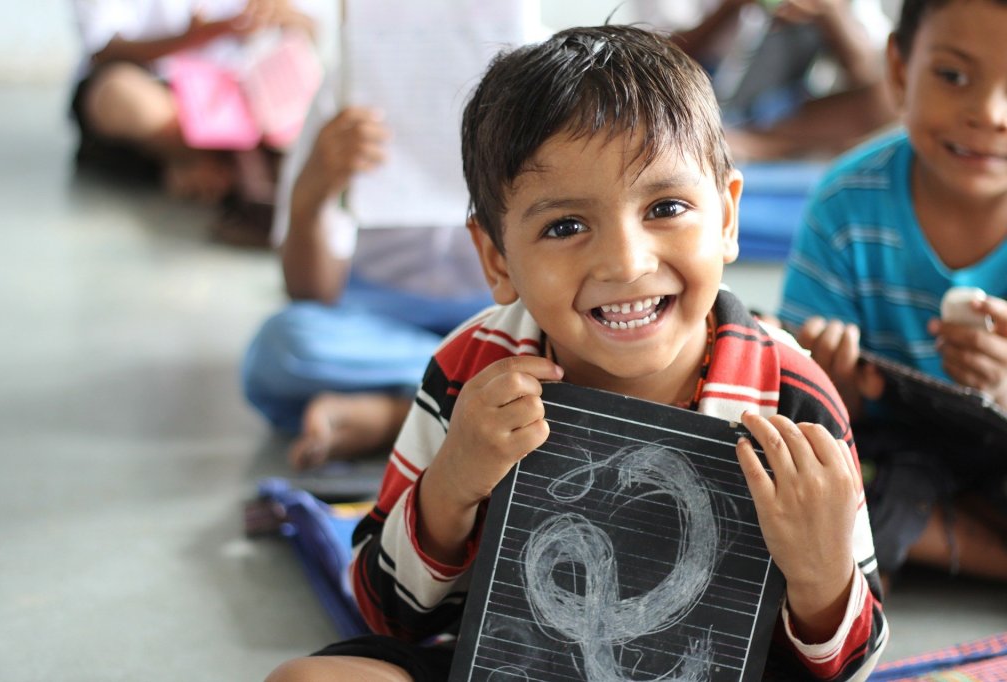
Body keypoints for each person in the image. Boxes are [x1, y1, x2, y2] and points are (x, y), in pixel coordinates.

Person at [264, 25, 889, 682]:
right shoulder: (472, 371)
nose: (624, 262)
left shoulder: (791, 398)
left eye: (666, 207)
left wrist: (822, 580)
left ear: (727, 220)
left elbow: (854, 661)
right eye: (565, 226)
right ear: (496, 258)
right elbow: (383, 610)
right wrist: (451, 487)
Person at [241, 2, 540, 469]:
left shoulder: (548, 76)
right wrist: (312, 194)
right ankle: (467, 389)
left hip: (509, 314)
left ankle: (396, 413)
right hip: (379, 317)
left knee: (587, 344)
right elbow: (310, 291)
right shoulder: (346, 89)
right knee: (285, 344)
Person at [778, 0, 1007, 585]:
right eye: (953, 76)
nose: (987, 112)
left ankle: (951, 536)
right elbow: (791, 395)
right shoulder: (845, 206)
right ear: (901, 70)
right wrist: (838, 390)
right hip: (895, 450)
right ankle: (967, 540)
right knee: (805, 494)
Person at [69, 0, 320, 204]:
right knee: (119, 94)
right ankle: (236, 166)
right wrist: (195, 37)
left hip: (240, 94)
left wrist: (283, 15)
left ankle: (205, 166)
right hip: (160, 89)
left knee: (307, 90)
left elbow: (309, 28)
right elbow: (103, 49)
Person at [631, 0, 897, 161]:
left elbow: (868, 73)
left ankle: (751, 145)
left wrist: (830, 13)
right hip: (695, 101)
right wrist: (730, 8)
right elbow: (653, 62)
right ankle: (726, 140)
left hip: (785, 113)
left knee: (890, 97)